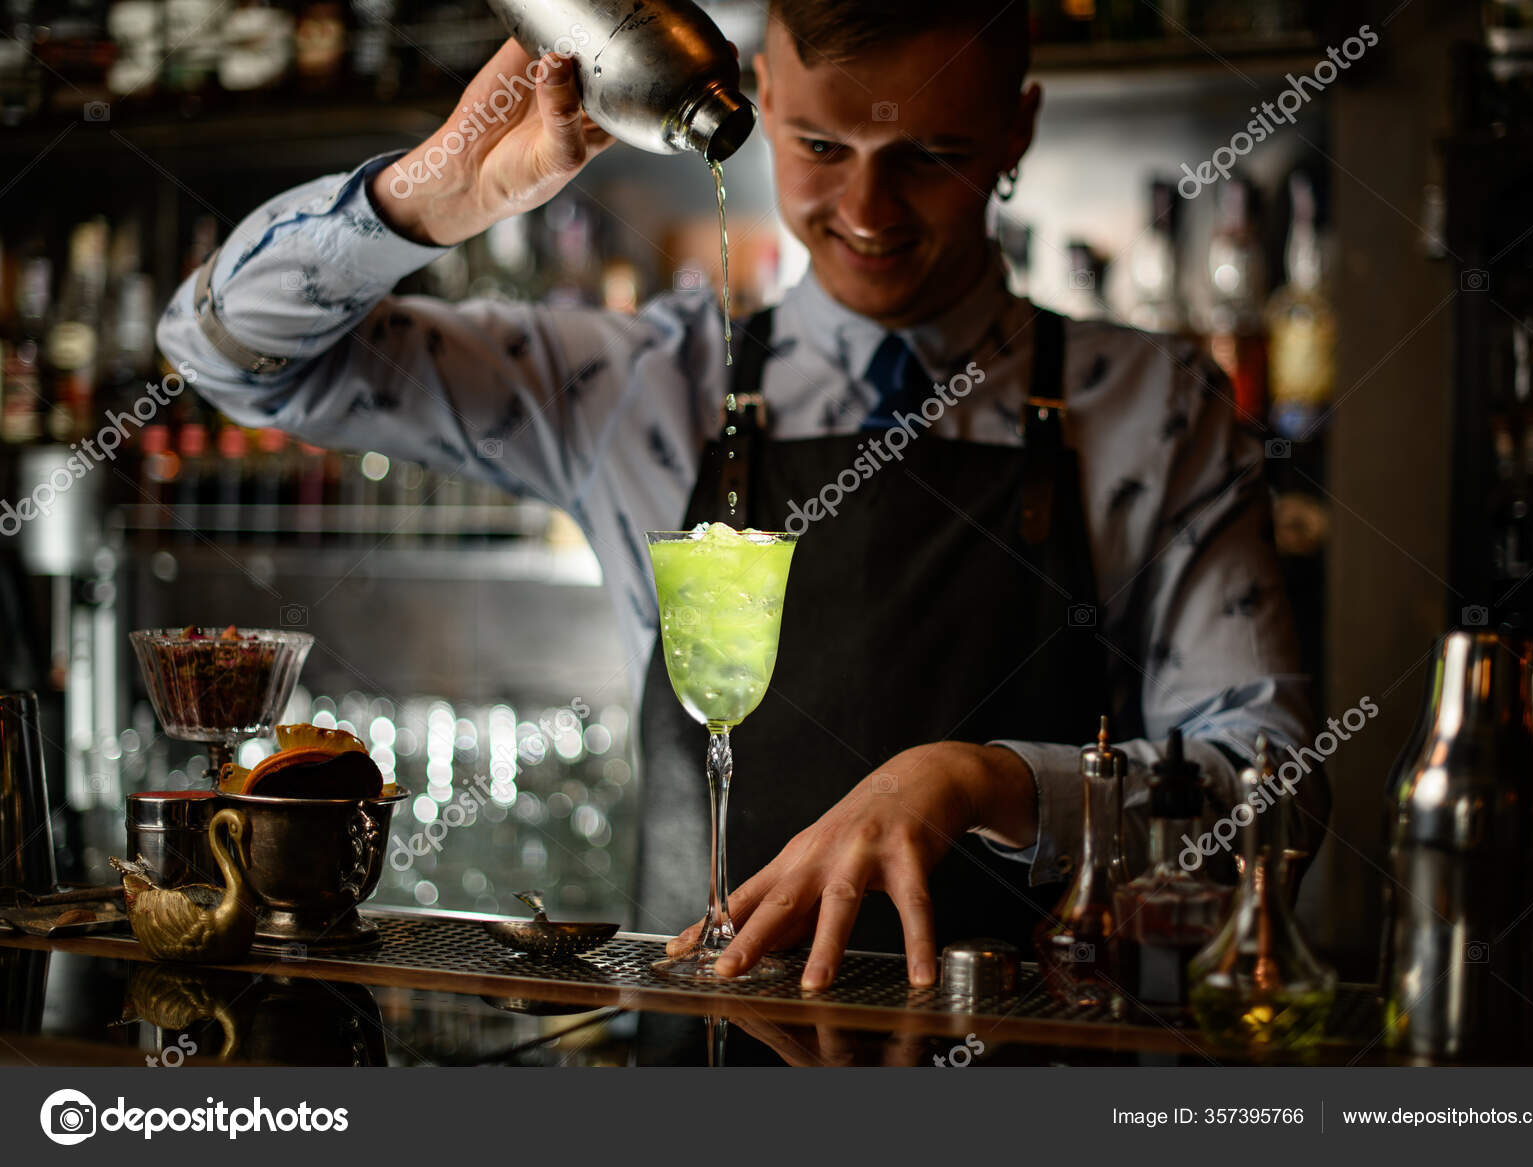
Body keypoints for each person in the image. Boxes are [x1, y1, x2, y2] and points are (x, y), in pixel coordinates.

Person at [155, 0, 1328, 992]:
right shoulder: (633, 383)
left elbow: (1276, 794)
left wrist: (996, 780)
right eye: (820, 147)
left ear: (1017, 127)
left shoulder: (1151, 404)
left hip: (1036, 1054)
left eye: (929, 155)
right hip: (699, 1053)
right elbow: (216, 353)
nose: (867, 212)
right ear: (759, 96)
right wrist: (439, 194)